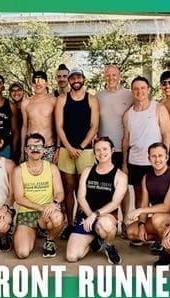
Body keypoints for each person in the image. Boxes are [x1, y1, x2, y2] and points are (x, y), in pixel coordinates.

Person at [66, 137, 128, 264]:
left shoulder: (120, 176)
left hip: (106, 216)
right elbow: (81, 197)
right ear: (94, 153)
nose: (101, 153)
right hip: (88, 216)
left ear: (112, 150)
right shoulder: (87, 171)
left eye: (105, 149)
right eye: (98, 150)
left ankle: (109, 245)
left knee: (105, 225)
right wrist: (90, 216)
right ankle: (95, 240)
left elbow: (115, 203)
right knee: (72, 256)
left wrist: (95, 215)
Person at [55, 67, 99, 240]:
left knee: (84, 187)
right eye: (72, 78)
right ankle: (70, 223)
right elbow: (59, 126)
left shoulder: (92, 99)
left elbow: (94, 126)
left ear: (83, 79)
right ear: (69, 81)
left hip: (85, 150)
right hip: (67, 149)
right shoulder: (62, 99)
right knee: (68, 188)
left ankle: (83, 220)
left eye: (78, 77)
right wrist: (69, 147)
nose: (75, 81)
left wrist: (80, 147)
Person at [126, 142, 170, 263]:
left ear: (166, 157)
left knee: (157, 219)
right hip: (162, 219)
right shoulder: (146, 177)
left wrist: (140, 211)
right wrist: (141, 224)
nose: (157, 159)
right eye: (153, 156)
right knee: (131, 232)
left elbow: (166, 207)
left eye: (160, 156)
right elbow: (144, 203)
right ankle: (162, 239)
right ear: (148, 158)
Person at [122, 76, 170, 212]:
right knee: (139, 194)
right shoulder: (128, 114)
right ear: (132, 91)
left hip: (155, 161)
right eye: (136, 89)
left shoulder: (159, 108)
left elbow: (167, 134)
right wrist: (124, 164)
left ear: (148, 90)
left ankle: (156, 225)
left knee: (158, 194)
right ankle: (141, 224)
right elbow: (126, 139)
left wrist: (165, 157)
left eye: (143, 88)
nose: (140, 91)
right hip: (135, 161)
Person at [12, 133, 65, 258]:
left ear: (44, 149)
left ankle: (50, 240)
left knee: (57, 217)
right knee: (22, 253)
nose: (35, 149)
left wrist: (54, 203)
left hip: (46, 215)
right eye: (31, 147)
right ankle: (28, 233)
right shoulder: (19, 170)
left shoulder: (52, 168)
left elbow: (60, 192)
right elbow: (19, 198)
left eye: (39, 146)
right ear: (25, 149)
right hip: (27, 214)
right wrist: (43, 208)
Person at [97, 63, 134, 233]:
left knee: (123, 187)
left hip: (122, 148)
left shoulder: (129, 94)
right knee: (106, 187)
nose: (111, 78)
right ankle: (108, 222)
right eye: (108, 75)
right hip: (103, 151)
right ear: (104, 76)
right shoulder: (98, 96)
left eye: (114, 75)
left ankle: (125, 221)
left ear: (119, 76)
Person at [20, 71, 58, 163]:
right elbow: (25, 126)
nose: (37, 84)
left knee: (49, 176)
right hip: (31, 147)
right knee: (30, 176)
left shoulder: (54, 101)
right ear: (32, 83)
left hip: (48, 147)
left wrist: (58, 148)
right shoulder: (26, 102)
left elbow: (59, 126)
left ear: (46, 83)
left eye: (41, 81)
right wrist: (22, 150)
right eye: (34, 81)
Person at [9, 81, 25, 162]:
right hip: (10, 145)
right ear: (9, 93)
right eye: (13, 90)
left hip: (25, 144)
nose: (16, 93)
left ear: (23, 92)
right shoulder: (7, 108)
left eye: (19, 90)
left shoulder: (28, 107)